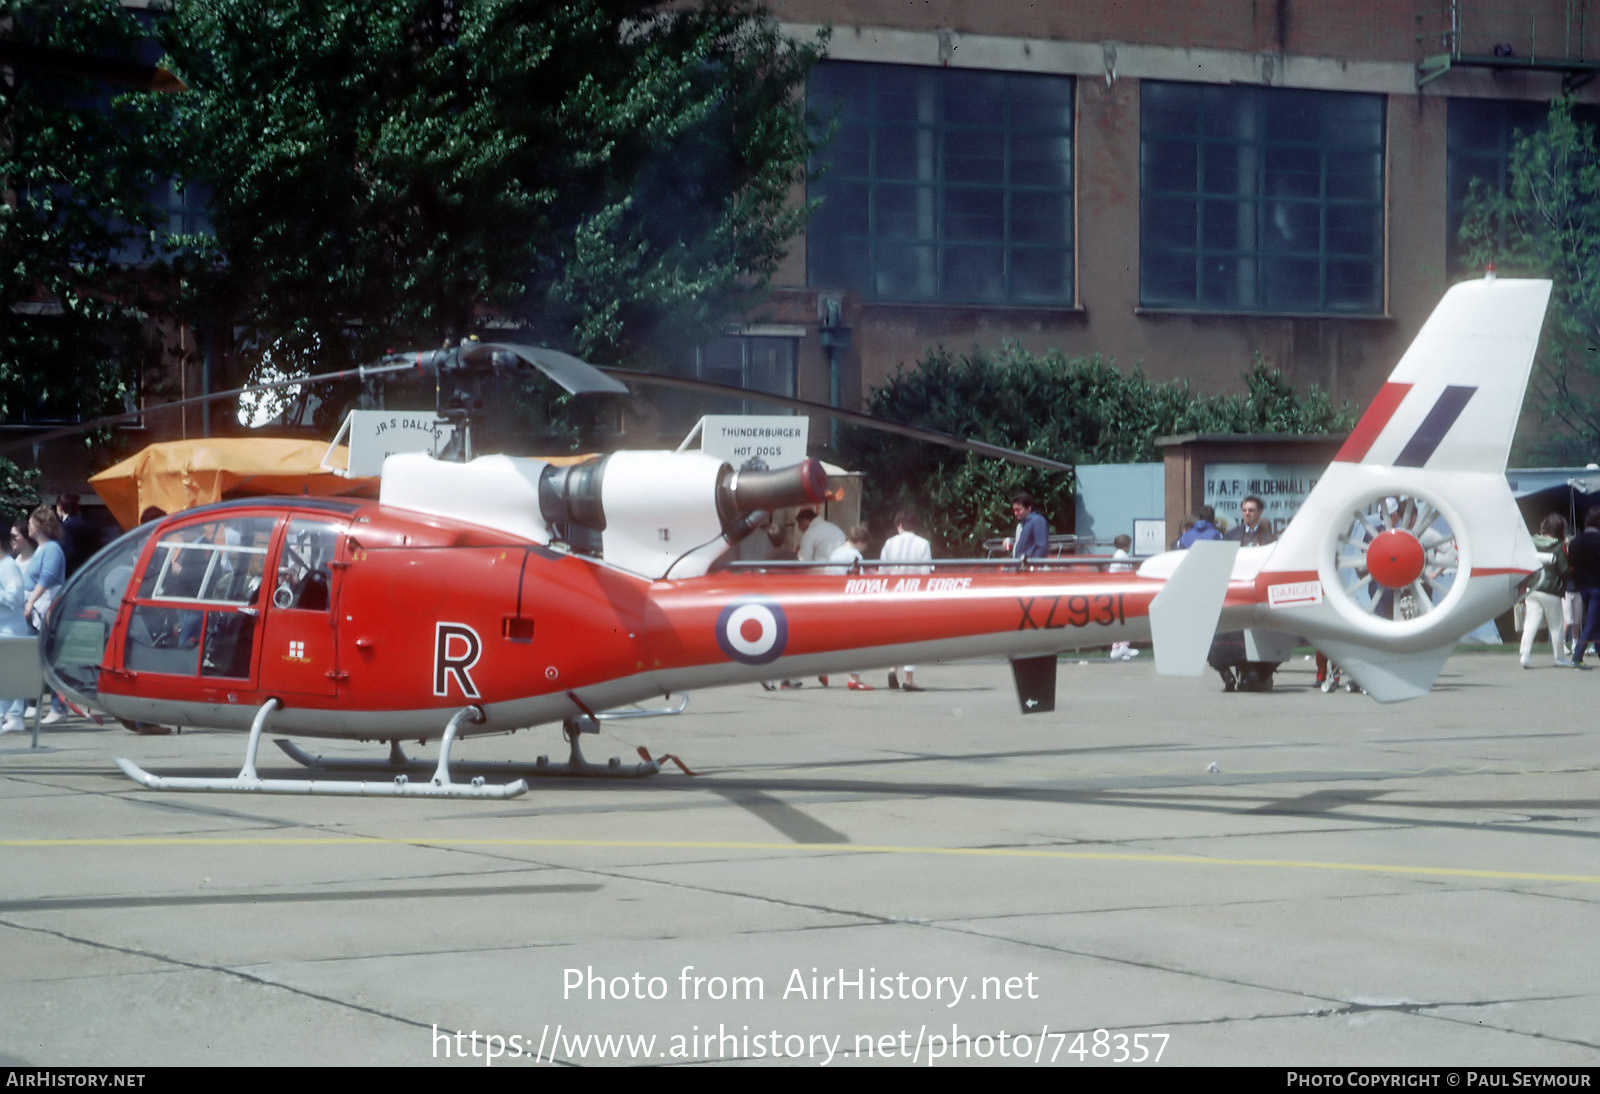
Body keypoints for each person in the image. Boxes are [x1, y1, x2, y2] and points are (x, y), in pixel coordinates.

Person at [24, 505, 68, 724]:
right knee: (41, 656)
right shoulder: (44, 549)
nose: (27, 527)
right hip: (39, 608)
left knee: (50, 657)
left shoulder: (51, 549)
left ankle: (59, 707)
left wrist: (31, 600)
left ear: (39, 525)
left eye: (31, 522)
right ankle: (34, 703)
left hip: (45, 607)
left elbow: (48, 577)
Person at [880, 509, 932, 691]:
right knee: (912, 635)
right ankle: (908, 678)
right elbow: (926, 573)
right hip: (913, 592)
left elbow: (882, 572)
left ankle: (892, 667)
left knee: (895, 633)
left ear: (900, 525)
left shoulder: (889, 543)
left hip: (894, 592)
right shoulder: (923, 544)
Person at [1521, 513, 1573, 669]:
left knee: (1530, 623)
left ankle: (1525, 654)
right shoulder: (1558, 547)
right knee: (1555, 626)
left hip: (1533, 588)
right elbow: (1564, 570)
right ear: (1559, 528)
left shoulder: (1531, 542)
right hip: (1551, 590)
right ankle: (1559, 657)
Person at [829, 526, 876, 690]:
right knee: (858, 639)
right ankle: (854, 677)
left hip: (834, 599)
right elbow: (859, 580)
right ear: (861, 542)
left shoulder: (836, 553)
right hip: (850, 602)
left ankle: (823, 669)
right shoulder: (855, 555)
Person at [0, 527, 30, 734]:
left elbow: (17, 597)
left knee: (8, 678)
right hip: (6, 630)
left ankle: (11, 715)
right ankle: (13, 715)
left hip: (10, 633)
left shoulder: (7, 566)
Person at [1567, 506, 1600, 670]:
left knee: (1595, 621)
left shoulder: (1574, 542)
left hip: (1582, 587)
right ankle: (1577, 656)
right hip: (1597, 587)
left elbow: (1571, 566)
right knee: (1592, 623)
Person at [55, 493, 102, 577]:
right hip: (91, 570)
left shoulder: (64, 528)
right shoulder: (88, 524)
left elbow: (68, 553)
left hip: (73, 574)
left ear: (59, 507)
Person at [1107, 533, 1138, 661]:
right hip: (1123, 591)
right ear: (1126, 545)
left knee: (1118, 620)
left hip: (1115, 591)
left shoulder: (1116, 555)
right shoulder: (1123, 556)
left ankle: (1116, 647)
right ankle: (1124, 645)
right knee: (1125, 619)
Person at [1010, 492, 1050, 559]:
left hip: (1029, 566)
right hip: (1022, 565)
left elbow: (1042, 548)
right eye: (1014, 510)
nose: (1015, 513)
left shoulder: (1038, 521)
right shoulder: (1023, 524)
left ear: (1029, 508)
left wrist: (1032, 564)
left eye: (1018, 510)